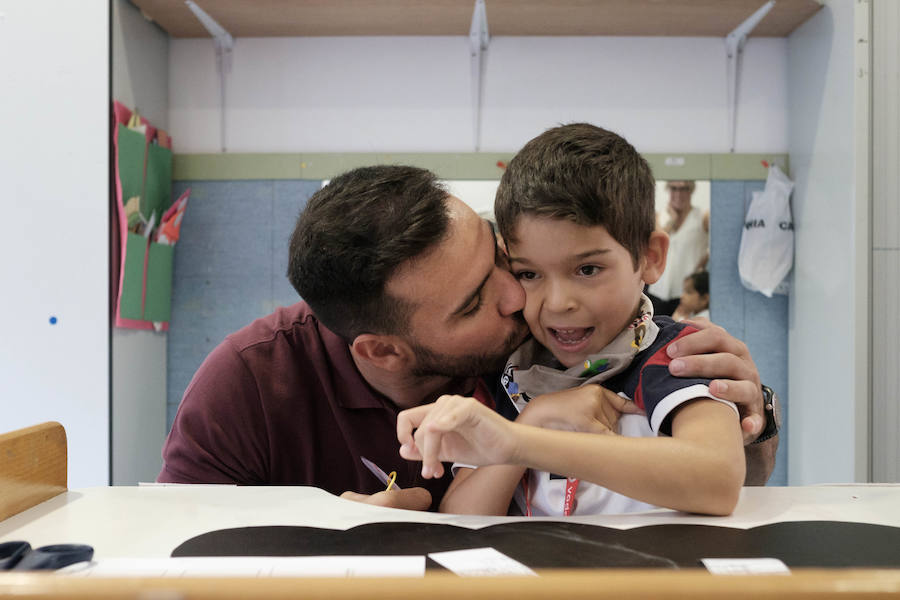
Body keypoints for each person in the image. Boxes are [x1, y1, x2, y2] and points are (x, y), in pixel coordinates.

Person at [158, 164, 777, 511]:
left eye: (501, 259)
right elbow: (173, 557)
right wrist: (325, 538)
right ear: (383, 350)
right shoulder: (251, 381)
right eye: (476, 301)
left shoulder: (544, 340)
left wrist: (755, 417)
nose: (524, 299)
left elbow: (727, 482)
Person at [396, 124, 745, 516]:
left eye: (588, 269)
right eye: (528, 274)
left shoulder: (675, 354)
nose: (558, 303)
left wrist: (519, 441)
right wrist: (530, 422)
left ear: (650, 257)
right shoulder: (513, 373)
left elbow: (718, 479)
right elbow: (462, 516)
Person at [646, 180, 708, 316]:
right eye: (674, 189)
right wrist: (671, 221)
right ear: (669, 190)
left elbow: (721, 242)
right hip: (658, 290)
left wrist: (704, 261)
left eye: (684, 189)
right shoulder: (659, 217)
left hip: (685, 295)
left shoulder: (701, 217)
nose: (678, 194)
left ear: (691, 191)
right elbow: (653, 244)